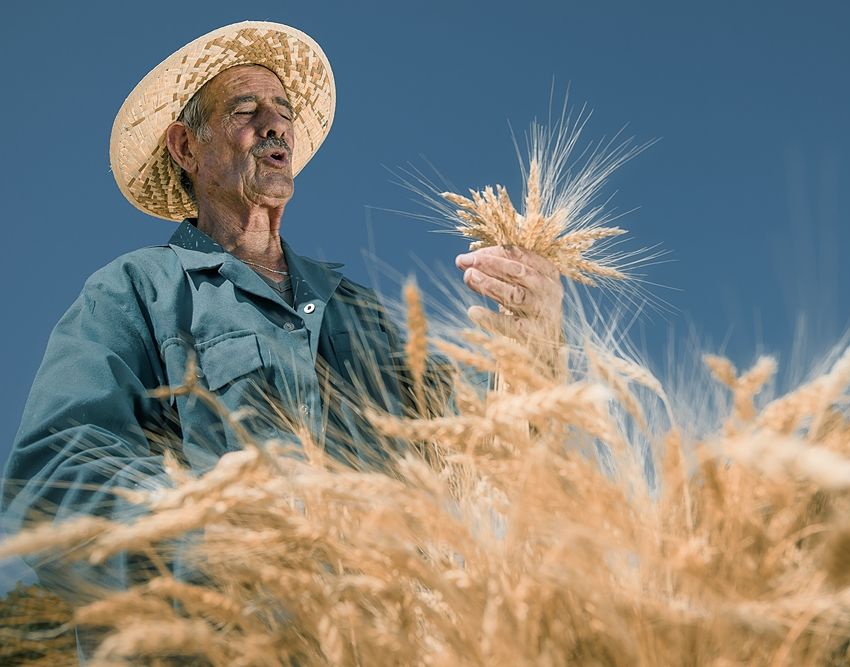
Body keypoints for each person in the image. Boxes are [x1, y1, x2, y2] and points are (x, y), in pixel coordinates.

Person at [1, 21, 563, 584]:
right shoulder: (136, 290)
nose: (275, 125)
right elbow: (56, 475)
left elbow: (486, 466)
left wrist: (534, 347)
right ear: (186, 146)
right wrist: (229, 554)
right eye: (246, 110)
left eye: (284, 110)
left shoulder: (358, 313)